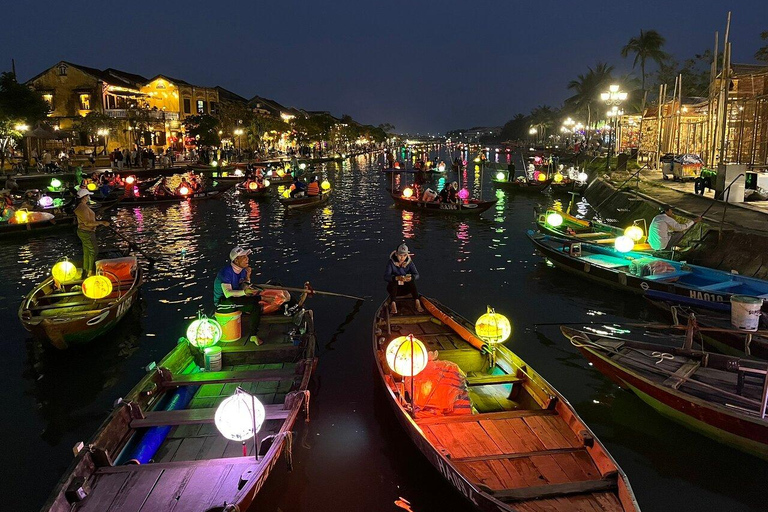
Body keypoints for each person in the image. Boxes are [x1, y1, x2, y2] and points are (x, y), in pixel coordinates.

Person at [213, 246, 263, 344]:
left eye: (247, 256)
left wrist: (248, 277)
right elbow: (227, 293)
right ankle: (253, 335)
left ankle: (253, 332)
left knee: (257, 299)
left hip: (235, 298)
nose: (247, 259)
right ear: (236, 260)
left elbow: (243, 286)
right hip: (223, 302)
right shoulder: (226, 272)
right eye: (243, 257)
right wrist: (245, 292)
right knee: (254, 306)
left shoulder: (242, 270)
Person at [74, 189, 108, 276]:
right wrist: (102, 222)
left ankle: (86, 270)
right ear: (84, 197)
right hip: (87, 232)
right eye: (88, 195)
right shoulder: (82, 207)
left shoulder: (83, 206)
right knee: (93, 251)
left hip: (85, 231)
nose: (89, 197)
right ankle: (90, 271)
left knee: (87, 252)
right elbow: (87, 223)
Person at [384, 243, 422, 315]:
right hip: (394, 290)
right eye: (400, 255)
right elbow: (386, 277)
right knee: (395, 280)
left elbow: (417, 275)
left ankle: (417, 302)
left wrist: (411, 277)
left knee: (412, 281)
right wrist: (395, 278)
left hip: (406, 289)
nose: (402, 258)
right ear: (396, 254)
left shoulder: (409, 263)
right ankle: (393, 304)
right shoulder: (391, 263)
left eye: (404, 256)